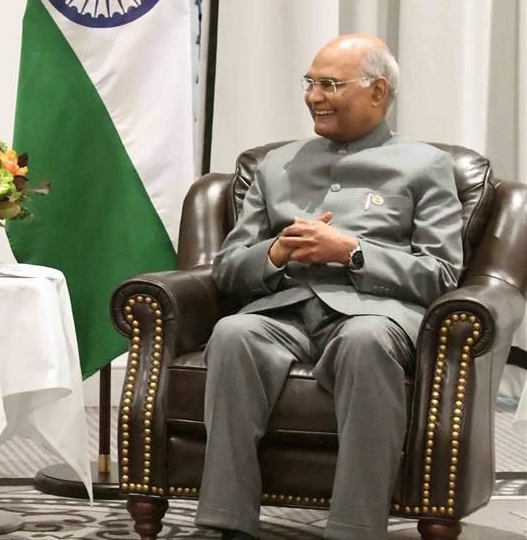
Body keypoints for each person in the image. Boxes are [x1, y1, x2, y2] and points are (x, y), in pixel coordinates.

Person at [194, 34, 463, 540]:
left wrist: (352, 253)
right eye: (311, 82)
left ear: (378, 91)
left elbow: (442, 273)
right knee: (233, 333)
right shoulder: (277, 164)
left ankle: (354, 529)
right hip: (285, 311)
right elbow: (228, 269)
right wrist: (275, 253)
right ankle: (226, 524)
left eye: (330, 85)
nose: (314, 96)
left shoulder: (425, 166)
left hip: (374, 315)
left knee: (365, 341)